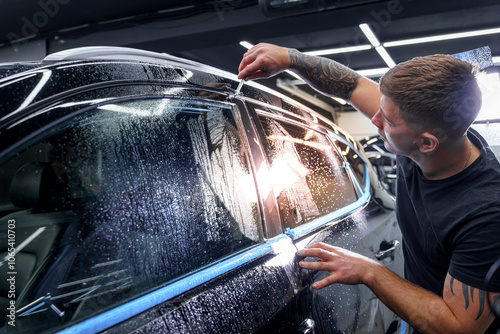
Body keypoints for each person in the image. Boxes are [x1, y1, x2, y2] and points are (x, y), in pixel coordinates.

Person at [238, 43, 500, 333]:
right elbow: (351, 84)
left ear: (426, 143)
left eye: (386, 121)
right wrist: (291, 59)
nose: (375, 118)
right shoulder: (424, 128)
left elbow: (458, 328)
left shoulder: (487, 215)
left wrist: (370, 271)